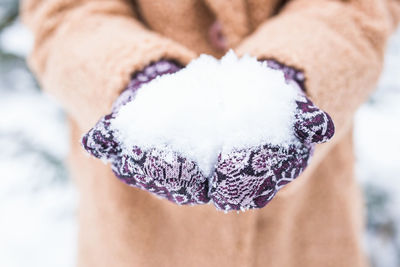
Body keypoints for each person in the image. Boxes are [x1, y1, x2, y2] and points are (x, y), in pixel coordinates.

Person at [21, 0, 400, 266]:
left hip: (306, 230)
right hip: (136, 236)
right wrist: (136, 77)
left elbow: (357, 5)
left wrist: (286, 78)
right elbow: (64, 11)